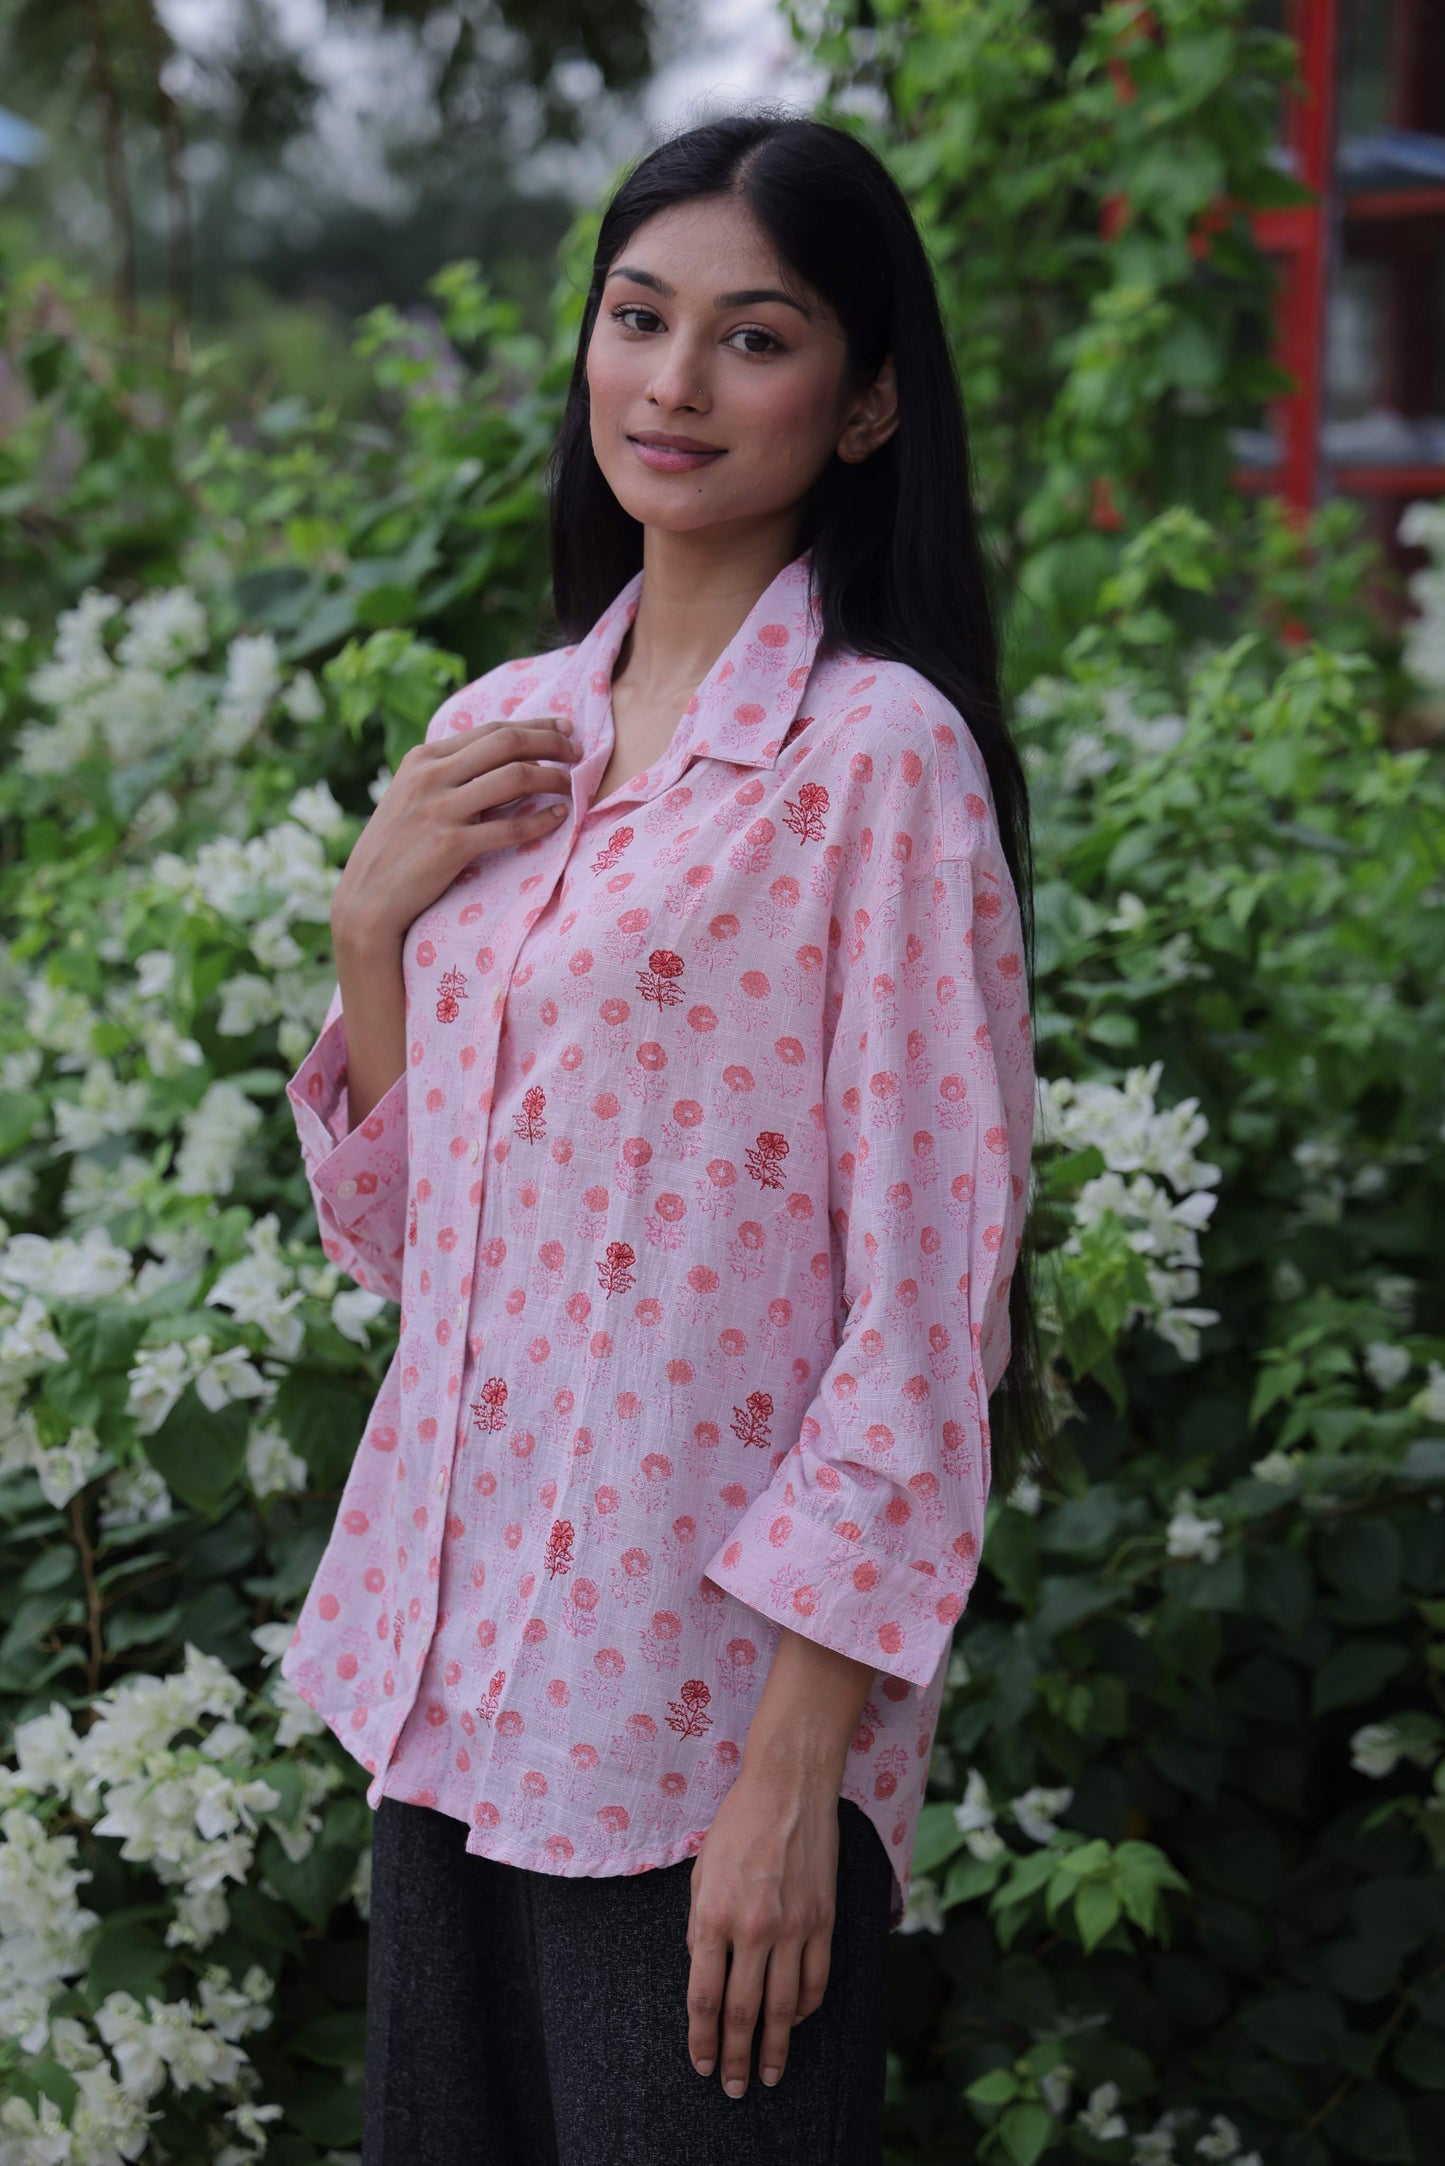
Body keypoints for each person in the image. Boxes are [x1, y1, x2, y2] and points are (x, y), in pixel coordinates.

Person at [279, 105, 1044, 2166]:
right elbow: (409, 1252)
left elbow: (925, 1306)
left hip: (700, 1733)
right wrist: (374, 925)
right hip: (453, 1691)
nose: (674, 383)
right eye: (638, 318)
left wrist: (801, 1771)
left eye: (756, 336)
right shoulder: (498, 733)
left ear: (869, 402)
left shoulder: (879, 761)